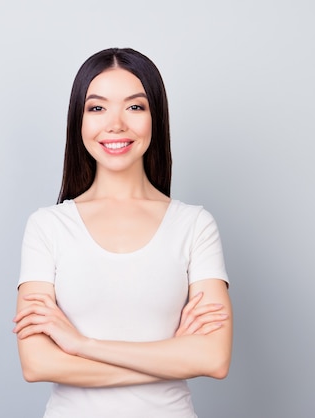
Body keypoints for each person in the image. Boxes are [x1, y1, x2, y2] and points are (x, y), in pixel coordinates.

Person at [13, 47, 232, 418]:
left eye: (135, 107)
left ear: (155, 118)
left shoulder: (194, 225)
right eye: (97, 108)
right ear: (78, 122)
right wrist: (169, 356)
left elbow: (213, 358)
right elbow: (37, 364)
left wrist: (81, 344)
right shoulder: (48, 226)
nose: (115, 124)